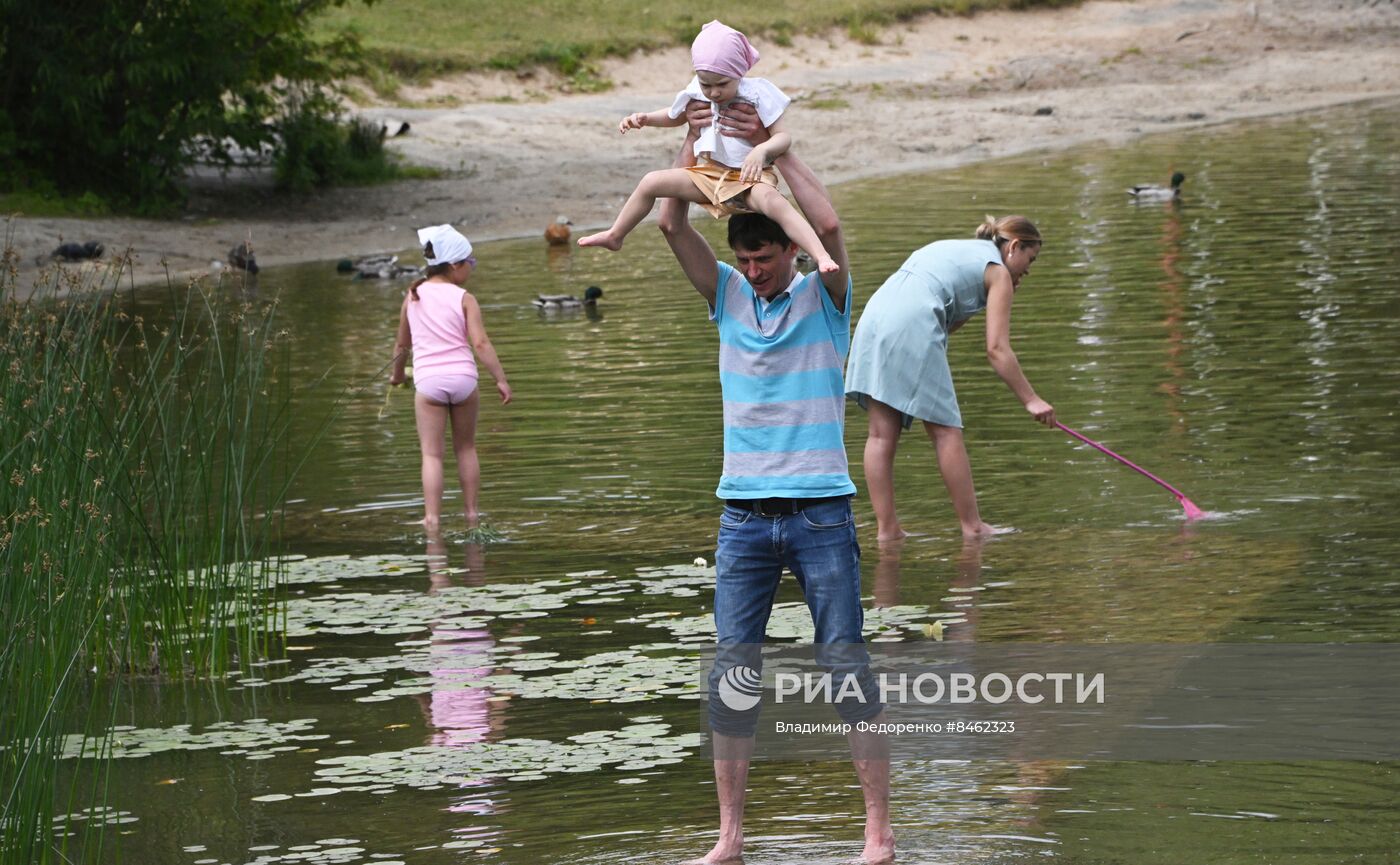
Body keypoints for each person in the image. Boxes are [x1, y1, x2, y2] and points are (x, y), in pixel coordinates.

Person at [658, 100, 894, 865]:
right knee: (732, 671)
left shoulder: (826, 298)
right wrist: (694, 144)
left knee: (846, 663)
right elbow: (670, 226)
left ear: (784, 254)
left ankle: (878, 836)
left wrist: (776, 151)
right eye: (748, 260)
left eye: (767, 259)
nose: (757, 271)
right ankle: (728, 837)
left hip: (821, 511)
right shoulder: (726, 295)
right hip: (743, 518)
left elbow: (826, 226)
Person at [844, 217, 1056, 541]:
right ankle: (973, 527)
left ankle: (888, 531)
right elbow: (997, 349)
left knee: (880, 435)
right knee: (945, 431)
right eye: (1030, 260)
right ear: (1014, 247)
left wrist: (994, 295)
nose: (1028, 269)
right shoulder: (997, 271)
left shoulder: (962, 250)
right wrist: (1031, 399)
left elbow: (947, 314)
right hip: (912, 320)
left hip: (874, 318)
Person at [578, 20, 838, 274]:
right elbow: (675, 116)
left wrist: (761, 151)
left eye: (722, 84)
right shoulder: (697, 90)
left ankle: (821, 255)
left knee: (776, 204)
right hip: (710, 175)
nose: (713, 93)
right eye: (706, 84)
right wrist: (645, 119)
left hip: (750, 178)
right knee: (650, 181)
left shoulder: (758, 93)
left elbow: (783, 138)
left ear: (738, 72)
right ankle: (616, 234)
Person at [390, 224, 512, 531]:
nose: (471, 269)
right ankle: (472, 514)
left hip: (428, 383)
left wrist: (396, 375)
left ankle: (432, 520)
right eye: (470, 263)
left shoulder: (413, 296)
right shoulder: (464, 298)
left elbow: (402, 345)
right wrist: (500, 379)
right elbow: (481, 344)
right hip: (463, 381)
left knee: (432, 455)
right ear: (455, 265)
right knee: (466, 449)